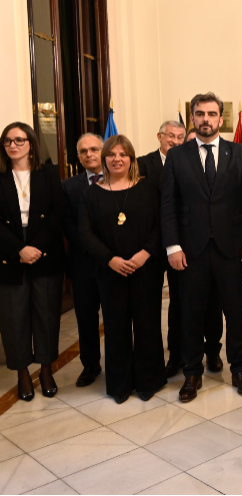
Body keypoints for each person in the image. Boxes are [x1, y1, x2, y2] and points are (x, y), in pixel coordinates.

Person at [162, 92, 242, 402]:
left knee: (235, 312)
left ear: (221, 119)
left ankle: (240, 369)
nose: (205, 119)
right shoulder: (178, 156)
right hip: (190, 251)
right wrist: (172, 247)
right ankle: (192, 372)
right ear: (193, 118)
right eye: (200, 114)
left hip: (231, 249)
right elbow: (168, 205)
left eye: (211, 114)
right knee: (191, 313)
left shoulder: (239, 153)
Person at [79, 135, 166, 404]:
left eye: (123, 154)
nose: (117, 159)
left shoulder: (148, 188)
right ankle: (119, 384)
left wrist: (144, 254)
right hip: (109, 271)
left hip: (145, 269)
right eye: (112, 154)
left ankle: (148, 380)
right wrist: (111, 259)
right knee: (115, 328)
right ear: (105, 159)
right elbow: (86, 233)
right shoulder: (92, 193)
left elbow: (159, 225)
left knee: (147, 325)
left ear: (131, 159)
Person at [138, 121, 224, 379]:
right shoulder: (143, 164)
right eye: (170, 136)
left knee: (204, 301)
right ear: (159, 137)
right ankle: (176, 355)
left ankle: (212, 350)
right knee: (176, 306)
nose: (175, 141)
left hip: (189, 245)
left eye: (180, 137)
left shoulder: (194, 161)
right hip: (154, 245)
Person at [0, 123, 65, 401]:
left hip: (45, 251)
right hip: (9, 253)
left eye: (19, 140)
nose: (13, 145)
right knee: (14, 318)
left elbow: (57, 214)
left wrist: (36, 247)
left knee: (46, 313)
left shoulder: (48, 173)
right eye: (7, 142)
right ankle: (23, 372)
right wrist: (19, 249)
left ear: (31, 144)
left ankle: (47, 369)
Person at [62, 133, 105, 388]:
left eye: (94, 149)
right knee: (86, 317)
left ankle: (119, 361)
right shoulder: (68, 186)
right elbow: (67, 224)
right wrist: (94, 247)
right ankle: (90, 365)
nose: (89, 154)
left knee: (115, 316)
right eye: (83, 151)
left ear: (104, 151)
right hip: (83, 263)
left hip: (113, 262)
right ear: (78, 157)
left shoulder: (118, 179)